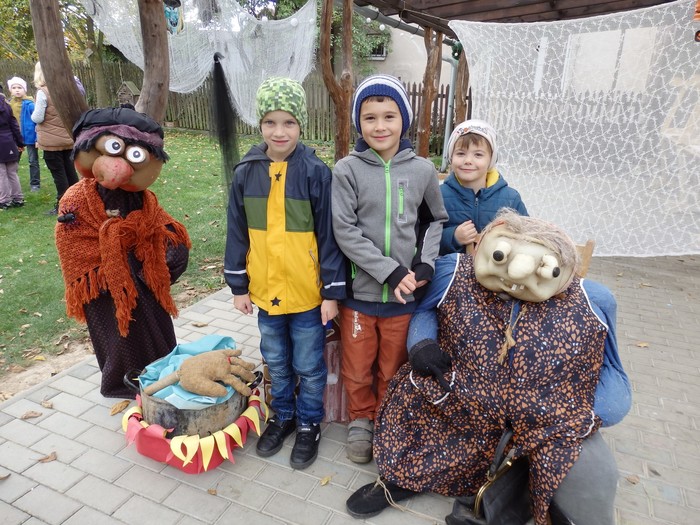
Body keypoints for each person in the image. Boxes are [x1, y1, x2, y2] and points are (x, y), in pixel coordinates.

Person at [345, 209, 632, 525]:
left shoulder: (591, 299)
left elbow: (613, 369)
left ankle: (519, 502)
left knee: (590, 474)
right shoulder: (454, 272)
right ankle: (402, 478)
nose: (516, 274)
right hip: (458, 393)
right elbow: (425, 310)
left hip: (545, 415)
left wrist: (589, 414)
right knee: (411, 407)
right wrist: (421, 345)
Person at [224, 77, 346, 470]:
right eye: (271, 122)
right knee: (276, 361)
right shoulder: (246, 172)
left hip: (308, 294)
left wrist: (331, 293)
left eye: (289, 122)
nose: (279, 132)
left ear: (301, 125)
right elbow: (236, 231)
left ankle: (309, 422)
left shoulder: (315, 172)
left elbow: (329, 236)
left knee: (309, 365)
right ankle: (284, 416)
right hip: (266, 292)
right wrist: (238, 285)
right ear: (260, 124)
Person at [331, 74, 448, 464]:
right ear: (358, 123)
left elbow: (434, 221)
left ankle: (388, 417)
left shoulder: (423, 171)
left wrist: (425, 263)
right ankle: (361, 419)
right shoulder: (346, 170)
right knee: (357, 366)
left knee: (392, 366)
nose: (379, 126)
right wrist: (389, 271)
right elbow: (345, 231)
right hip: (359, 296)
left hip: (404, 296)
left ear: (404, 121)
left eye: (389, 116)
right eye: (369, 118)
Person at [55, 107, 191, 398]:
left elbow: (159, 224)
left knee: (155, 326)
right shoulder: (76, 199)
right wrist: (117, 260)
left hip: (143, 276)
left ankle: (161, 371)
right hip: (107, 285)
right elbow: (73, 240)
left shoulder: (142, 197)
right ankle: (122, 381)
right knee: (119, 333)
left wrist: (162, 256)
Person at [440, 119, 527, 255]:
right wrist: (453, 236)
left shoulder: (511, 198)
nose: (468, 161)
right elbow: (424, 238)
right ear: (451, 157)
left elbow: (526, 237)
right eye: (460, 153)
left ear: (491, 159)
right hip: (450, 266)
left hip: (497, 267)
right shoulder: (439, 196)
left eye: (478, 155)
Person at [31, 62, 79, 215]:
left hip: (51, 142)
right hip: (67, 138)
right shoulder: (65, 90)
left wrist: (31, 115)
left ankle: (63, 205)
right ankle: (78, 201)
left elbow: (38, 117)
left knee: (59, 174)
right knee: (70, 172)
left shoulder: (43, 92)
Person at [7, 76, 40, 192]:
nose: (17, 90)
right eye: (14, 88)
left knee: (33, 161)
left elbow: (37, 122)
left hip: (30, 136)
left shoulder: (30, 104)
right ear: (10, 90)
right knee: (13, 161)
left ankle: (35, 184)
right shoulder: (8, 104)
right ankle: (12, 183)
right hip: (15, 138)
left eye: (19, 87)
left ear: (24, 89)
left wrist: (37, 138)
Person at [0, 84, 25, 210]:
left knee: (1, 173)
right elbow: (14, 125)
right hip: (9, 141)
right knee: (12, 172)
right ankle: (18, 198)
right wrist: (20, 142)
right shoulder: (7, 106)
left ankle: (4, 200)